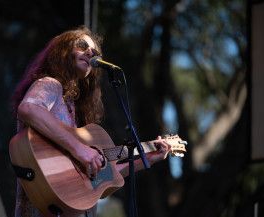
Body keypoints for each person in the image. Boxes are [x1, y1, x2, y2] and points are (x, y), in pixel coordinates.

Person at [11, 26, 171, 217]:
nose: (90, 52)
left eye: (95, 51)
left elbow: (101, 180)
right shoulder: (50, 84)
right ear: (63, 50)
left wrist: (147, 158)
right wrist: (80, 149)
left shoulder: (73, 108)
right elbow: (29, 108)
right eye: (82, 45)